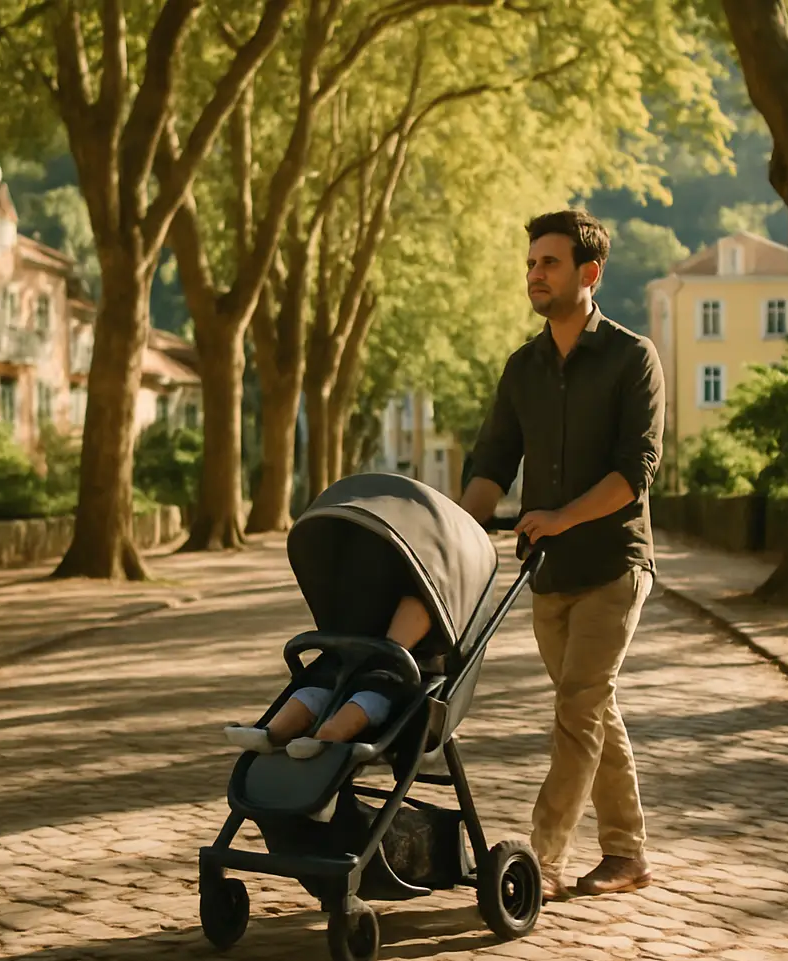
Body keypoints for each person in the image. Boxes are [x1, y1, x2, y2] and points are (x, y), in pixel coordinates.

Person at [458, 209, 664, 901]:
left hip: (614, 564)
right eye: (531, 264)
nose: (535, 274)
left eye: (549, 262)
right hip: (547, 575)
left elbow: (634, 472)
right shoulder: (524, 368)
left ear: (589, 272)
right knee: (593, 709)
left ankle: (539, 858)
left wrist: (561, 516)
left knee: (578, 707)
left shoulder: (634, 358)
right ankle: (627, 854)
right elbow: (492, 461)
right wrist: (451, 535)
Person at [225, 594, 433, 758]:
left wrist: (389, 652)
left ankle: (326, 738)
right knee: (312, 693)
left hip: (389, 683)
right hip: (343, 670)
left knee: (364, 701)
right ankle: (272, 733)